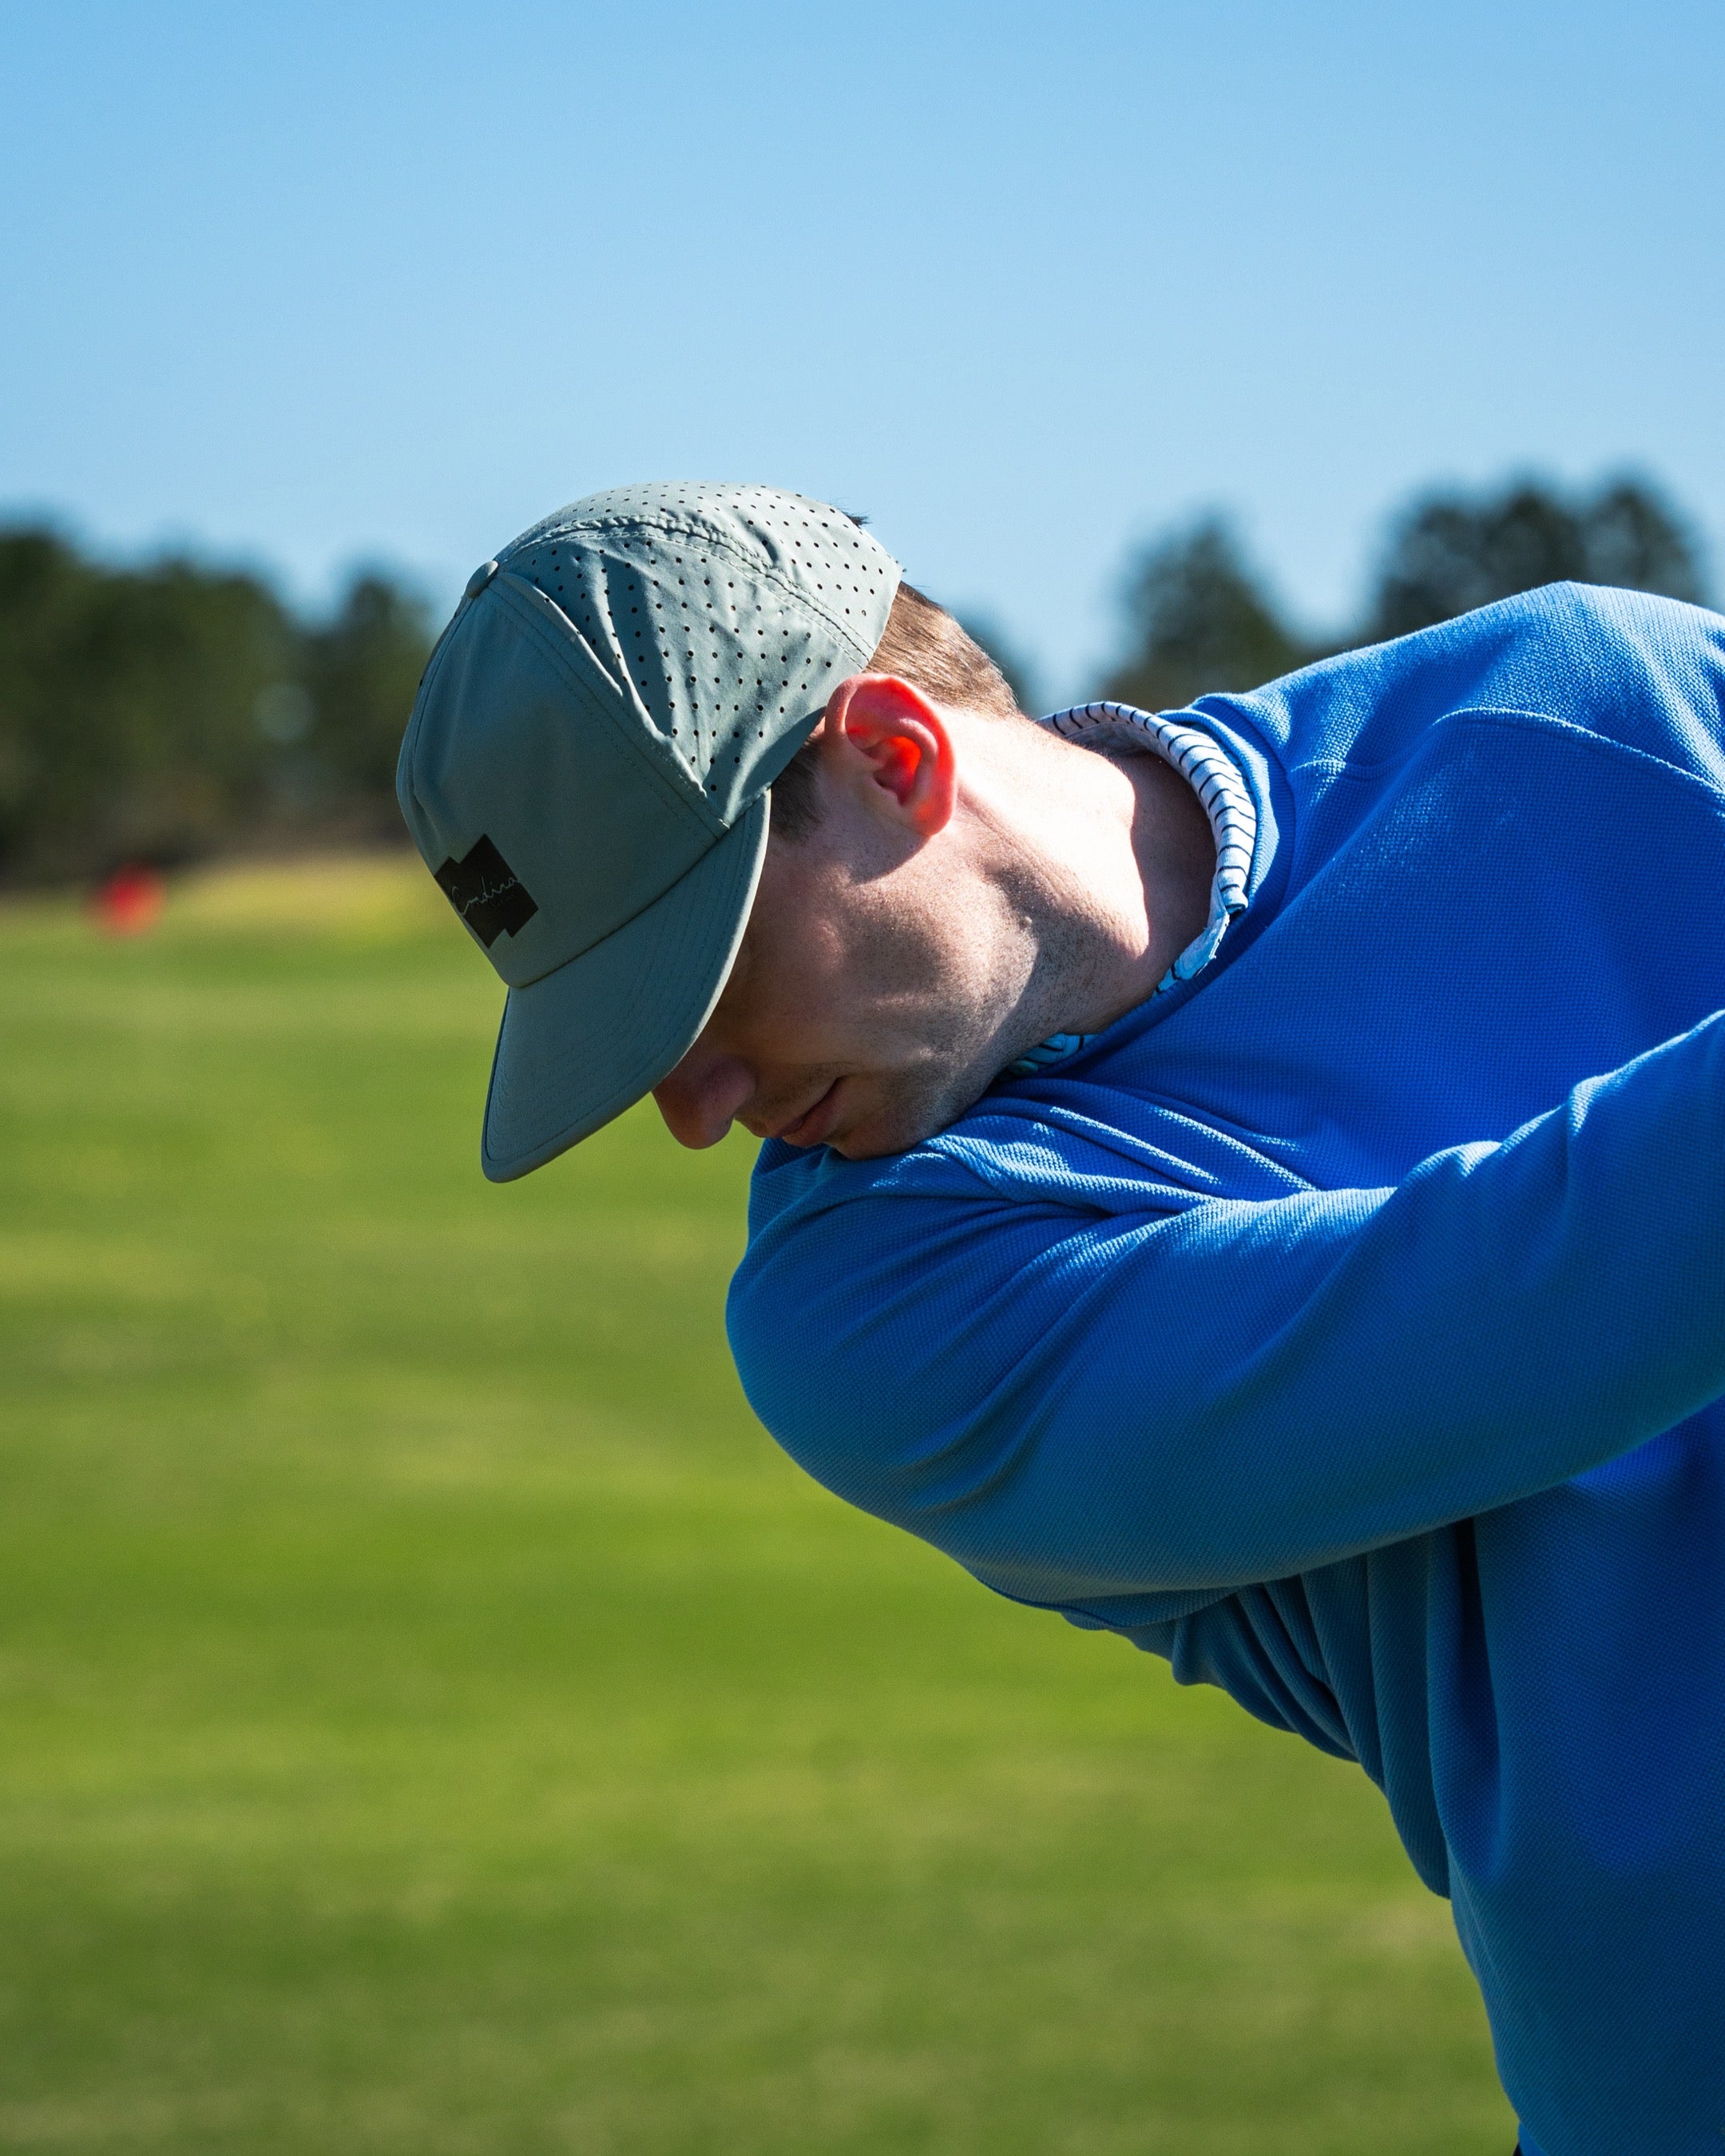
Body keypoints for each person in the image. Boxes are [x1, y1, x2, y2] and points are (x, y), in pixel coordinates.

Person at [399, 482, 1725, 2156]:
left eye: (700, 983)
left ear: (894, 758)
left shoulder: (1607, 703)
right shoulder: (878, 1304)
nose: (692, 1106)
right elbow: (1530, 1300)